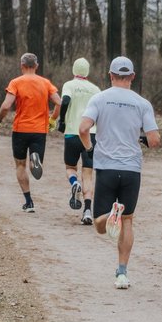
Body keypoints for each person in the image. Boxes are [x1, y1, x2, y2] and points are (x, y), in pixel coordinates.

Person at [78, 56, 160, 289]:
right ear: (132, 77)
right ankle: (122, 273)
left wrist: (89, 148)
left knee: (99, 224)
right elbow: (154, 140)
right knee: (128, 220)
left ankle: (110, 213)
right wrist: (141, 138)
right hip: (131, 169)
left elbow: (83, 128)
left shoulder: (99, 99)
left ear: (110, 75)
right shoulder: (142, 103)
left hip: (106, 167)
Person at [0, 53, 62, 213]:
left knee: (20, 165)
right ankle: (34, 159)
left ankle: (29, 202)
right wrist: (52, 119)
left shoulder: (16, 82)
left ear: (22, 66)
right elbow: (59, 102)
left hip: (21, 129)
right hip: (39, 130)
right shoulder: (45, 83)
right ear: (36, 66)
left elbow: (6, 106)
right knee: (33, 162)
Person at [58, 57, 101, 225]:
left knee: (70, 168)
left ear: (74, 70)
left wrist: (62, 121)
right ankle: (88, 211)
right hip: (90, 134)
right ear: (88, 71)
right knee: (88, 173)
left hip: (71, 133)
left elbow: (66, 100)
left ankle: (74, 183)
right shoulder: (96, 89)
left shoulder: (69, 85)